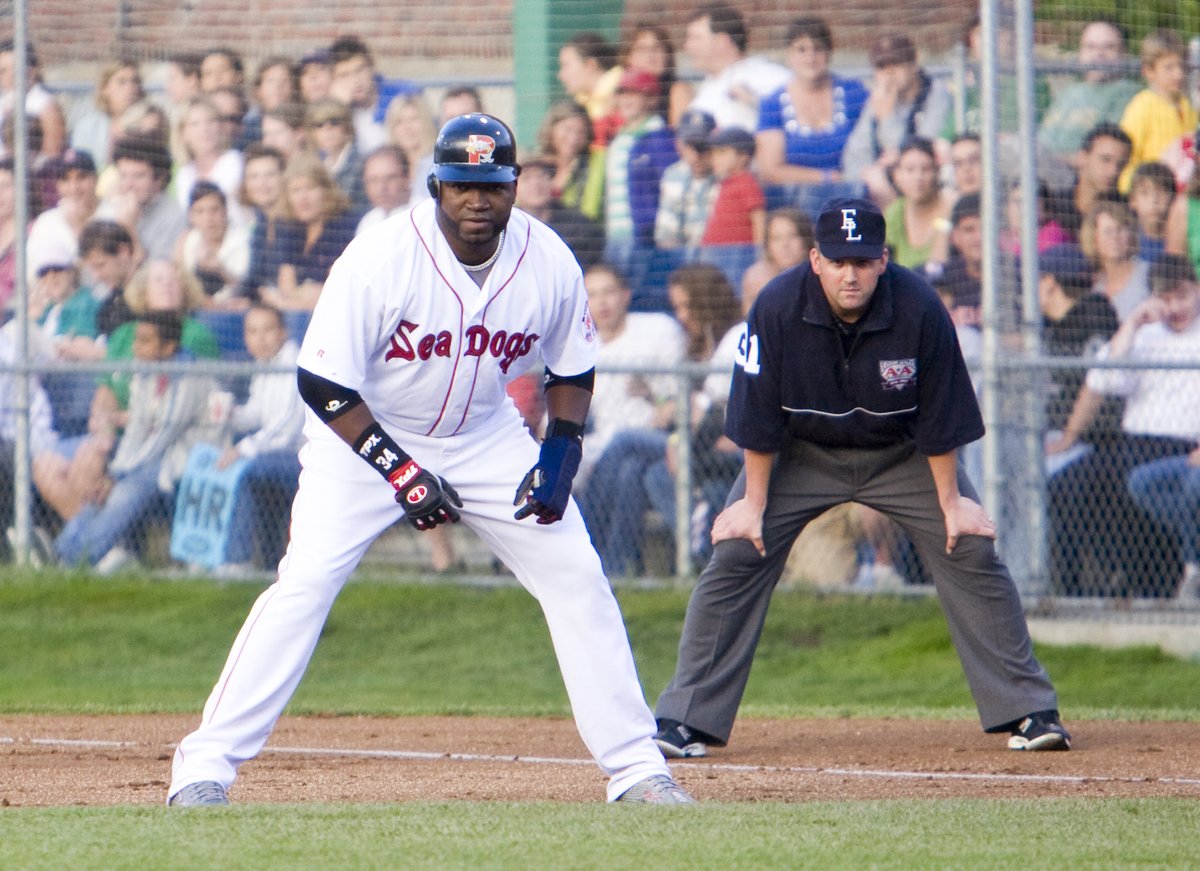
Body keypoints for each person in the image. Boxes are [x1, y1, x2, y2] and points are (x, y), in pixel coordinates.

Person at [167, 113, 693, 807]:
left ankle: (636, 768)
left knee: (576, 571)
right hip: (361, 436)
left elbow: (574, 365)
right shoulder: (380, 257)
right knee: (306, 583)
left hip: (484, 434)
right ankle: (203, 767)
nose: (478, 200)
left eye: (493, 185)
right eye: (463, 185)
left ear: (515, 186)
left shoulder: (549, 259)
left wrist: (563, 448)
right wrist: (400, 469)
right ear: (437, 184)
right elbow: (323, 382)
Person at [651, 196, 1070, 759]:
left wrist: (951, 502)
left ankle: (1030, 711)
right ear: (815, 259)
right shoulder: (776, 305)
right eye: (839, 261)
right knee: (734, 555)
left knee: (968, 546)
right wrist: (752, 501)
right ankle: (684, 719)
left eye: (864, 261)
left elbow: (941, 415)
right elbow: (754, 411)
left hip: (901, 454)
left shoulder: (919, 306)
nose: (852, 274)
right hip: (802, 454)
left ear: (884, 260)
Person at [1048, 254, 1200, 598]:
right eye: (1166, 298)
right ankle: (1071, 594)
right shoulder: (1145, 336)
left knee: (1136, 493)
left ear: (1197, 291)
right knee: (1063, 488)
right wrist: (1131, 324)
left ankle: (1151, 582)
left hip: (1182, 446)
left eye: (1182, 296)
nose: (1175, 307)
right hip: (1132, 442)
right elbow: (1104, 379)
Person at [53, 311, 217, 571]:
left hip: (184, 460)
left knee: (124, 491)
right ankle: (63, 552)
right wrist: (114, 471)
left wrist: (118, 475)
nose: (135, 347)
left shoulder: (189, 377)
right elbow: (136, 431)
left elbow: (163, 436)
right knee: (101, 487)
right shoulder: (144, 373)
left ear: (169, 347)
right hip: (151, 458)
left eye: (144, 341)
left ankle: (80, 561)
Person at [213, 303, 305, 572]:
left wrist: (243, 449)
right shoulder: (265, 365)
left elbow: (286, 427)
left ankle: (236, 560)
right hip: (276, 455)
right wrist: (230, 413)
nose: (260, 338)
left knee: (245, 469)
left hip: (303, 458)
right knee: (240, 466)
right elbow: (256, 413)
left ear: (283, 332)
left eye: (267, 330)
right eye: (252, 331)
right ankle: (208, 555)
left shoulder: (294, 364)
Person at [755, 17, 869, 218]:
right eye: (801, 50)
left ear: (829, 53)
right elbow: (770, 170)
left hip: (850, 195)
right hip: (793, 204)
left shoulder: (854, 93)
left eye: (818, 49)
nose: (810, 57)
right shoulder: (772, 103)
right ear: (788, 54)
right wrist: (827, 177)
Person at [1037, 244, 1120, 478]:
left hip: (1090, 441)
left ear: (1050, 283)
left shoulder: (1093, 318)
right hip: (1053, 434)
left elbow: (1097, 385)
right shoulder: (1054, 327)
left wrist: (1068, 437)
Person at [842, 33, 952, 207]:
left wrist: (886, 117)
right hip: (883, 180)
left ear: (913, 65)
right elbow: (855, 152)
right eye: (882, 67)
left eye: (896, 64)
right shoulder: (879, 98)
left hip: (925, 179)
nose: (889, 73)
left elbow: (922, 149)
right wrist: (868, 171)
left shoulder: (935, 93)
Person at [602, 69, 676, 301]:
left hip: (643, 238)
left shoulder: (660, 137)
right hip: (614, 235)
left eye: (635, 94)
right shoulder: (620, 137)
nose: (626, 100)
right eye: (623, 93)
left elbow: (669, 186)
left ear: (652, 99)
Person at [1037, 20, 1141, 185]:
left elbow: (1108, 153)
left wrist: (1054, 158)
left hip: (1078, 181)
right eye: (1090, 47)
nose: (1098, 54)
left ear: (1124, 53)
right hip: (1041, 173)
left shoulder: (1129, 93)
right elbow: (1042, 141)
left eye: (1108, 47)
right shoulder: (1068, 92)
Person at [261, 154, 358, 312]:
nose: (303, 198)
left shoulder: (344, 226)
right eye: (295, 191)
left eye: (310, 188)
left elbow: (332, 293)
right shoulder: (290, 229)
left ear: (326, 191)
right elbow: (286, 285)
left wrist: (283, 302)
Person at [682, 4, 789, 132]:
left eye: (696, 38)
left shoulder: (766, 75)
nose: (687, 47)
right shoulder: (706, 88)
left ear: (722, 41)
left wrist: (754, 102)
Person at [1118, 28, 1196, 193]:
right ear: (1148, 71)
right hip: (1152, 196)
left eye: (1181, 65)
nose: (1179, 74)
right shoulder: (1141, 107)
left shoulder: (1188, 105)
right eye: (1169, 67)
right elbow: (1124, 163)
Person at [98, 133, 187, 263]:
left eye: (138, 176)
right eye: (123, 176)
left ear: (159, 179)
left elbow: (155, 272)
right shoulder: (112, 206)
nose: (128, 185)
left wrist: (130, 228)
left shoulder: (174, 216)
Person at [698, 127, 764, 291]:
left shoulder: (746, 182)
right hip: (716, 255)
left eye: (722, 153)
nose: (715, 159)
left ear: (743, 156)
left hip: (738, 256)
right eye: (713, 154)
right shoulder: (723, 184)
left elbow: (758, 218)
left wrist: (759, 252)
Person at [514, 152, 603, 270]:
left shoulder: (579, 226)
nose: (536, 183)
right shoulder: (507, 227)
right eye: (526, 178)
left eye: (542, 176)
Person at [327, 35, 416, 153]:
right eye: (345, 75)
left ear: (372, 66)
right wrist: (338, 110)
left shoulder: (402, 96)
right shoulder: (336, 109)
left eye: (359, 70)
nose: (355, 81)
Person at [234, 144, 298, 302]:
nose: (262, 183)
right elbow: (253, 278)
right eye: (254, 177)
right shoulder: (261, 223)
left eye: (270, 175)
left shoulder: (294, 223)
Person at [26, 149, 100, 284]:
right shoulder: (46, 222)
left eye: (81, 177)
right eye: (65, 180)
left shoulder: (112, 213)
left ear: (95, 178)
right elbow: (32, 277)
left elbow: (97, 277)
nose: (74, 187)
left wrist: (77, 226)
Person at [1046, 122, 1131, 238]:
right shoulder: (1053, 206)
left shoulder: (1127, 213)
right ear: (1082, 158)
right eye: (1105, 159)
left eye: (1121, 164)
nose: (1113, 171)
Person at [173, 96, 246, 227]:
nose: (204, 129)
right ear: (183, 133)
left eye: (211, 121)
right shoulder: (184, 173)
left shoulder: (237, 163)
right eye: (195, 124)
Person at [175, 180, 251, 306]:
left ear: (225, 212)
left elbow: (249, 291)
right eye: (200, 212)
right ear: (191, 216)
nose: (208, 218)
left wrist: (220, 271)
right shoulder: (189, 240)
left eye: (214, 210)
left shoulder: (243, 241)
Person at [654, 108, 717, 257]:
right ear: (679, 145)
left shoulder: (725, 173)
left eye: (702, 146)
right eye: (691, 145)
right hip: (685, 263)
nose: (697, 155)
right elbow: (666, 237)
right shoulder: (673, 175)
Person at [883, 137, 949, 270]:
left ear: (937, 172)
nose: (918, 177)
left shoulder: (949, 205)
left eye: (926, 169)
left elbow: (939, 263)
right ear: (896, 175)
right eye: (910, 170)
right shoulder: (894, 212)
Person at [1081, 199, 1151, 321]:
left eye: (1120, 229)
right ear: (1094, 240)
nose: (1115, 237)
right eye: (1107, 231)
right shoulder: (1097, 292)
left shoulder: (1149, 274)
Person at [536, 99, 604, 223]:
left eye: (581, 132)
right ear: (551, 129)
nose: (573, 138)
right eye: (568, 129)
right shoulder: (535, 165)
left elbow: (590, 210)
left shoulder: (596, 162)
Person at [69, 60, 144, 172]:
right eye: (121, 82)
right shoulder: (87, 126)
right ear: (105, 88)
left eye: (134, 81)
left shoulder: (148, 123)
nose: (130, 88)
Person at [0, 40, 66, 162]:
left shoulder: (44, 104)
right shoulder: (3, 102)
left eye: (15, 68)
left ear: (33, 69)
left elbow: (51, 155)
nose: (10, 75)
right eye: (3, 70)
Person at [619, 23, 691, 128]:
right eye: (642, 49)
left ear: (667, 55)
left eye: (656, 49)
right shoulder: (621, 90)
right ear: (628, 57)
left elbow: (680, 133)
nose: (650, 55)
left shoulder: (677, 90)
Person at [557, 31, 622, 144]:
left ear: (590, 65)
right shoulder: (581, 102)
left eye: (566, 65)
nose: (560, 75)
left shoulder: (623, 89)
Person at [305, 98, 367, 213]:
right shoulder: (314, 164)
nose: (327, 129)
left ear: (347, 127)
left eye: (334, 122)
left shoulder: (363, 164)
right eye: (319, 125)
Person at [740, 207, 813, 302]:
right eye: (776, 238)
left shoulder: (822, 277)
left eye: (792, 236)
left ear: (805, 239)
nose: (785, 244)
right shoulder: (756, 280)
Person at [383, 93, 437, 210]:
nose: (407, 127)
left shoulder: (436, 164)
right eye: (400, 121)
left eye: (413, 119)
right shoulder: (388, 165)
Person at [239, 56, 297, 151]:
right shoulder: (249, 126)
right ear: (258, 90)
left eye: (285, 80)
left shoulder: (303, 122)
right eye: (271, 81)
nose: (278, 87)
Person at [354, 145, 411, 236]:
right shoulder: (368, 222)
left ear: (407, 178)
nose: (381, 187)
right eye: (373, 180)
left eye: (390, 178)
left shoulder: (425, 216)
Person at [1126, 161, 1174, 262]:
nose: (1154, 200)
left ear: (1173, 198)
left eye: (1162, 191)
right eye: (1145, 193)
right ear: (1133, 200)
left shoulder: (1186, 242)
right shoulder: (1125, 242)